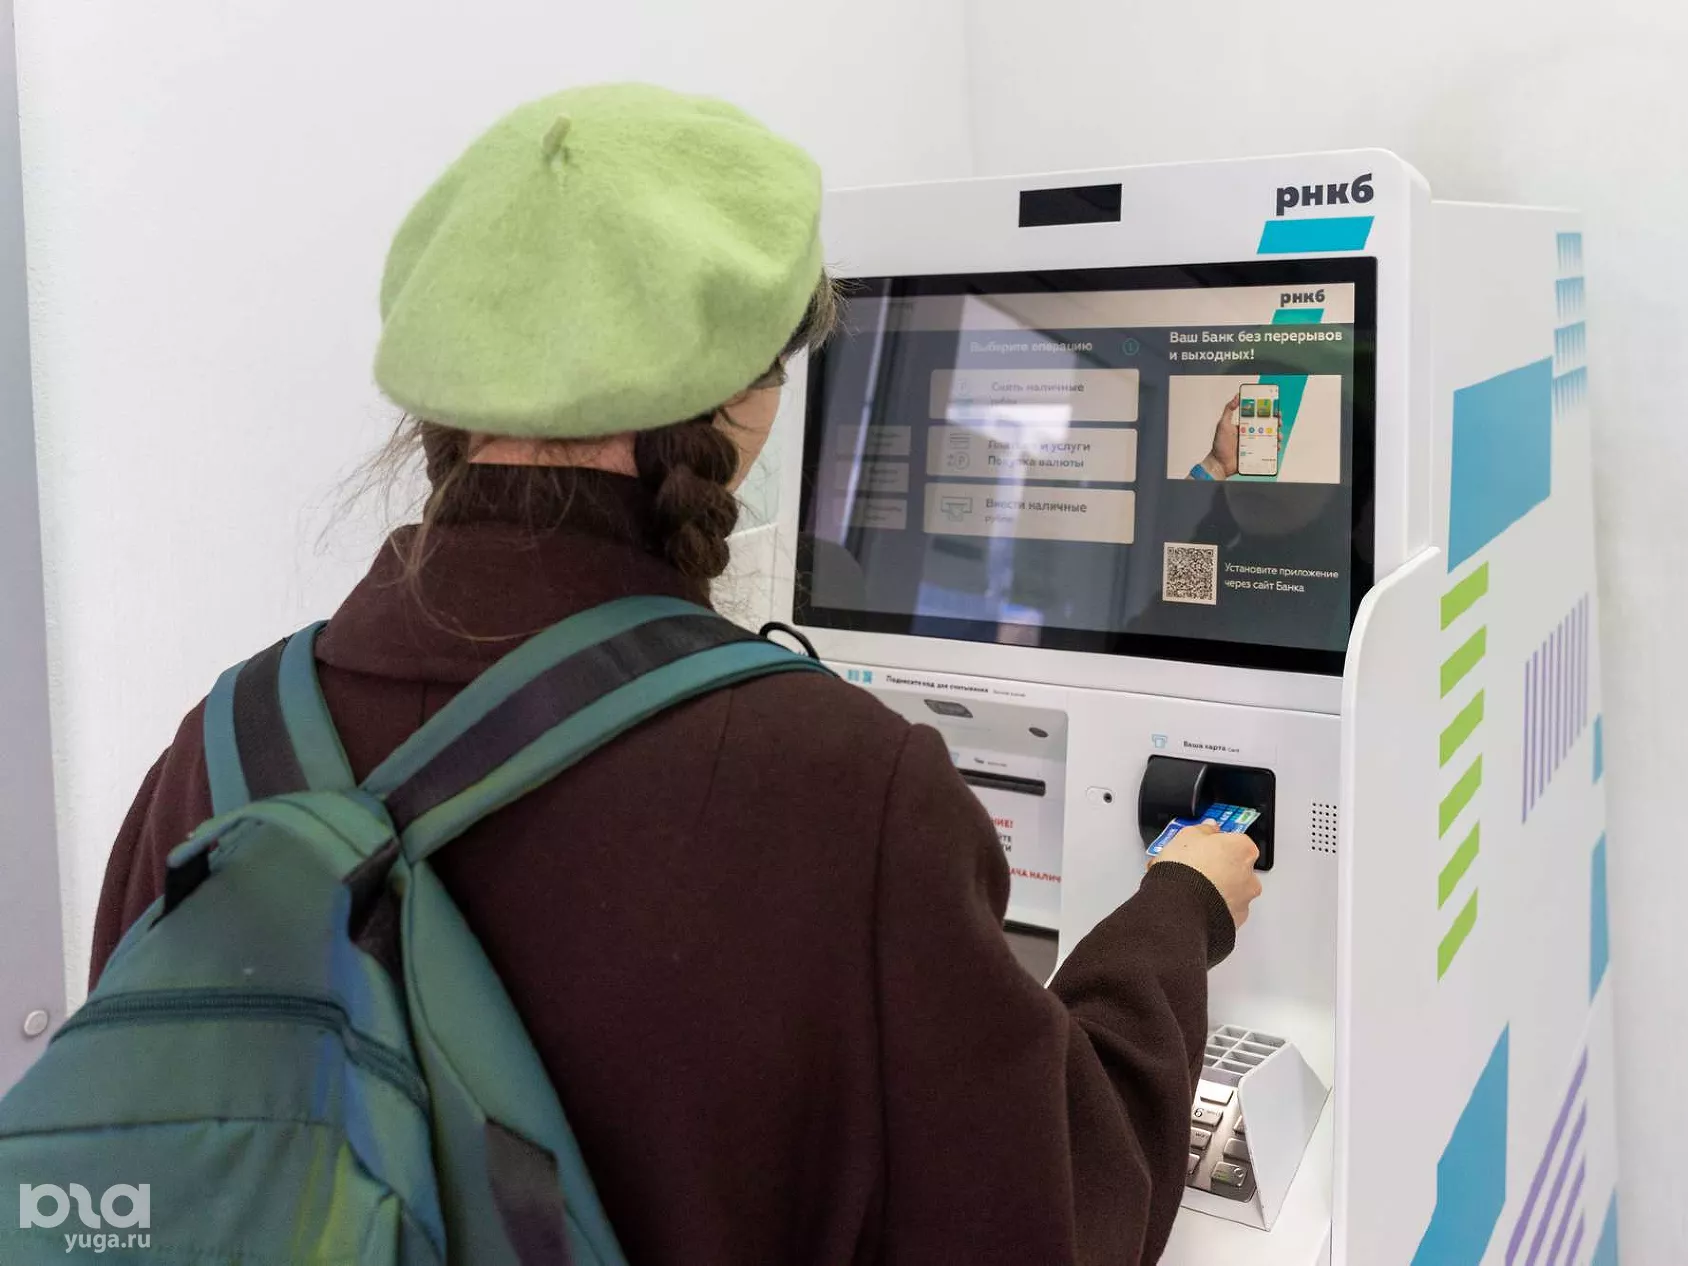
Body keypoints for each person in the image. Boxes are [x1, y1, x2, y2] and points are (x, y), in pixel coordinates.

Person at [89, 84, 1265, 1266]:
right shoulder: (841, 788)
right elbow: (1050, 1213)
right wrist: (1177, 912)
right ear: (743, 400)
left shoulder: (223, 749)